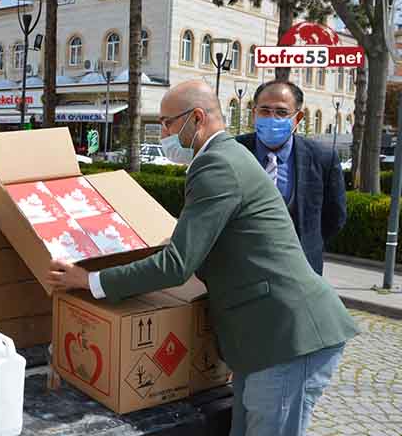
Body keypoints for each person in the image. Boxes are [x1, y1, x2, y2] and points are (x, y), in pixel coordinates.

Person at [47, 80, 358, 436]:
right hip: (265, 342)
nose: (163, 131)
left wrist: (87, 280)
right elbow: (196, 246)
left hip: (287, 338)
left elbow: (177, 265)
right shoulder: (227, 156)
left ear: (196, 118)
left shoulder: (217, 165)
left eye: (167, 122)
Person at [236, 80, 346, 274]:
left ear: (298, 117)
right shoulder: (234, 151)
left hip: (300, 272)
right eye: (264, 111)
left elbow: (334, 217)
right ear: (254, 114)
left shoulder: (322, 158)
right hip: (240, 269)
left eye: (281, 112)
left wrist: (309, 243)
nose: (272, 118)